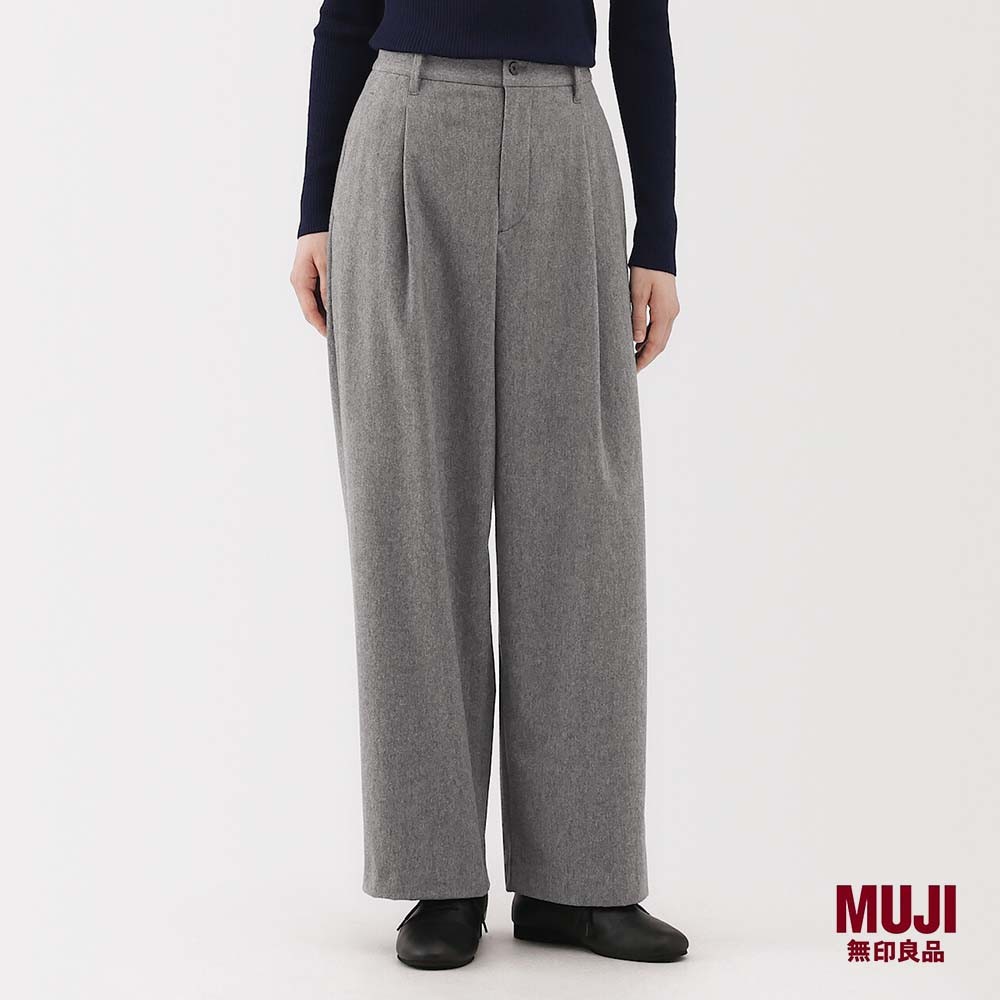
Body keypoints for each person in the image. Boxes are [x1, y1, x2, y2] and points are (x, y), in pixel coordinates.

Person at [290, 0, 687, 970]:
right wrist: (313, 214)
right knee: (413, 514)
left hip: (563, 133)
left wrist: (659, 237)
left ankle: (578, 881)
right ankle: (439, 877)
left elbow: (642, 24)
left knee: (583, 521)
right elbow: (345, 15)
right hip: (405, 129)